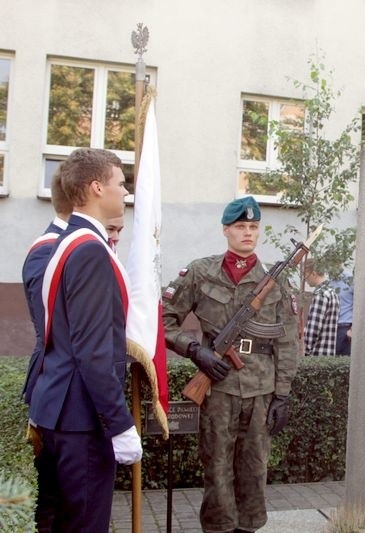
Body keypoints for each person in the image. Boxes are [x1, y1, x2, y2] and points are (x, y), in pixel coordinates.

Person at [162, 196, 300, 532]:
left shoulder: (276, 280)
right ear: (226, 230)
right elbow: (164, 320)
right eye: (240, 226)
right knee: (217, 468)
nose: (248, 233)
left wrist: (282, 394)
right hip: (219, 388)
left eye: (253, 227)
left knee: (254, 470)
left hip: (260, 389)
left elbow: (288, 340)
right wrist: (197, 351)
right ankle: (219, 528)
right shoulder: (200, 272)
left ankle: (248, 527)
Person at [28, 148, 142, 531]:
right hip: (83, 419)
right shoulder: (90, 249)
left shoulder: (68, 241)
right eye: (120, 184)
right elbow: (92, 352)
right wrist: (121, 425)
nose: (125, 193)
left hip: (62, 411)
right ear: (96, 187)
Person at [20, 168, 72, 531]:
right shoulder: (48, 250)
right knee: (52, 502)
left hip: (73, 390)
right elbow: (53, 326)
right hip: (57, 387)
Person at [303, 260, 340, 356]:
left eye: (305, 275)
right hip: (328, 354)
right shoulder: (332, 292)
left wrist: (305, 350)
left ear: (314, 274)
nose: (305, 280)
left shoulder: (320, 294)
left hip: (316, 355)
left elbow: (313, 329)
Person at [329, 270, 354, 355]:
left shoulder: (350, 279)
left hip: (345, 329)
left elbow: (360, 305)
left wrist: (353, 329)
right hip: (330, 329)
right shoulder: (328, 280)